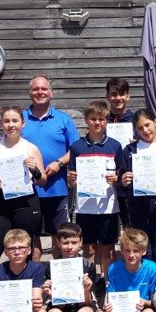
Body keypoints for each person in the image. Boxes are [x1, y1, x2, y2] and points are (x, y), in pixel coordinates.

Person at [0, 106, 47, 294]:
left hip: (26, 203)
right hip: (1, 202)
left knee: (23, 251)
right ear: (2, 124)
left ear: (23, 123)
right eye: (7, 121)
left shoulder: (31, 148)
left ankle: (28, 296)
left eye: (15, 121)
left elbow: (43, 179)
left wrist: (35, 170)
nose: (11, 125)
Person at [22, 76, 79, 260]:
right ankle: (36, 277)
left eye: (44, 89)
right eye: (36, 89)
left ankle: (59, 278)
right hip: (27, 189)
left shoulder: (63, 120)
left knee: (59, 236)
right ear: (30, 93)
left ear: (51, 93)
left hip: (57, 188)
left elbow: (75, 149)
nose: (40, 92)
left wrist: (60, 163)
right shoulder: (20, 119)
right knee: (31, 236)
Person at [67, 100, 126, 277]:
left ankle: (108, 284)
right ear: (86, 120)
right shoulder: (77, 146)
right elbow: (71, 180)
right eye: (93, 119)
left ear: (106, 121)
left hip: (108, 207)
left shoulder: (115, 145)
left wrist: (117, 178)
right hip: (85, 207)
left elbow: (121, 176)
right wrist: (71, 179)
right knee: (89, 249)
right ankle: (90, 285)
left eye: (101, 119)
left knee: (108, 250)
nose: (97, 122)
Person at [121, 108, 156, 265]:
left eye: (147, 125)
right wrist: (124, 180)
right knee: (144, 251)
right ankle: (146, 287)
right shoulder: (129, 150)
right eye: (140, 128)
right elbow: (122, 181)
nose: (145, 130)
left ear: (155, 122)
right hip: (137, 208)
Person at [106, 77, 134, 227]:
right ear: (108, 97)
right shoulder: (102, 120)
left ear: (128, 96)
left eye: (122, 94)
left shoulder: (136, 120)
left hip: (128, 178)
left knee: (129, 222)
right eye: (114, 94)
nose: (118, 98)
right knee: (108, 224)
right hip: (106, 176)